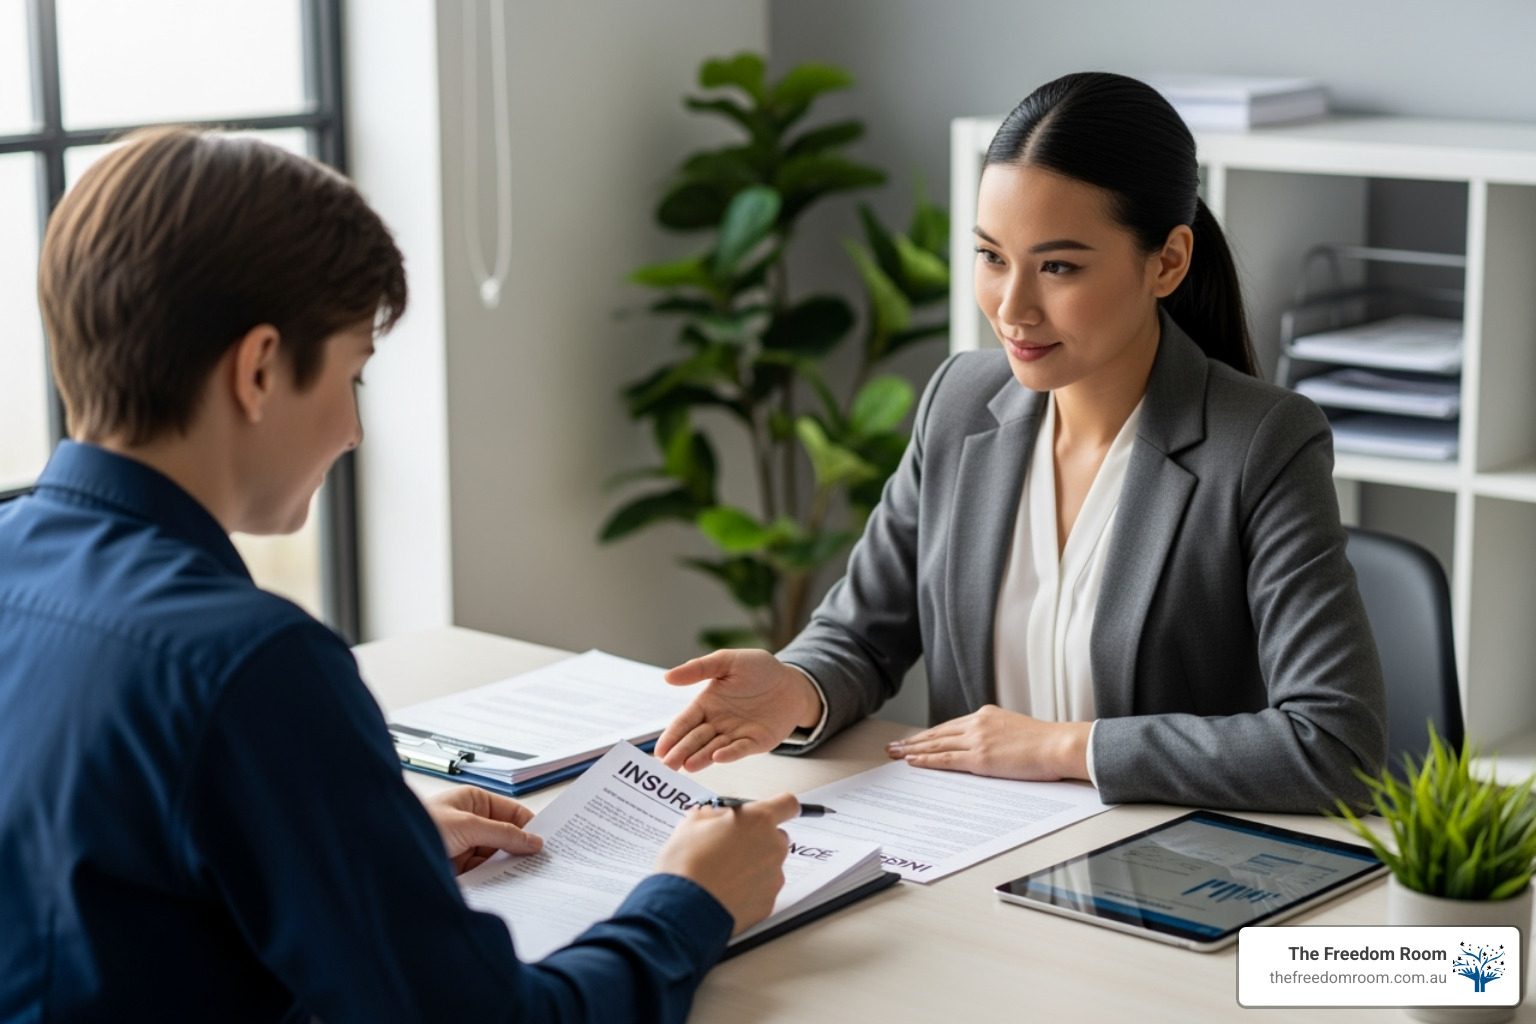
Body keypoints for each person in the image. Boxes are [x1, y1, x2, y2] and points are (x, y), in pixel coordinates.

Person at [0, 127, 798, 1024]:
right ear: (259, 369)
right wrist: (690, 902)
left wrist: (366, 842)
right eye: (355, 377)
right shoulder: (252, 664)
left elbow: (103, 882)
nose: (353, 432)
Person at [656, 72, 1388, 814]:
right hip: (969, 847)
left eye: (1059, 267)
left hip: (1155, 861)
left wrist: (1060, 747)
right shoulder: (958, 403)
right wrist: (797, 688)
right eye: (992, 256)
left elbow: (1335, 744)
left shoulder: (1262, 442)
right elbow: (861, 636)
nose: (1012, 308)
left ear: (1167, 261)